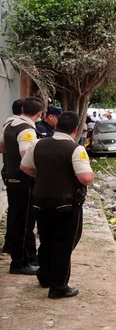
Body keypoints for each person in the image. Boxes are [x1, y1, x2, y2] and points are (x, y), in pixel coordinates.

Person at [21, 111, 95, 299]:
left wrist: (44, 177)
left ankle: (44, 277)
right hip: (66, 204)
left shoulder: (37, 144)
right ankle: (59, 287)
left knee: (46, 240)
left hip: (40, 201)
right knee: (63, 244)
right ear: (76, 129)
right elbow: (85, 178)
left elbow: (25, 167)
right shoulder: (75, 149)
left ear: (55, 125)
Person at [1, 96, 44, 275]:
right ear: (40, 113)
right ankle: (20, 262)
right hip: (23, 179)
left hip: (10, 175)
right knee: (25, 221)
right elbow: (26, 156)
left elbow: (1, 147)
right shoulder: (27, 130)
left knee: (18, 218)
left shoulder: (9, 124)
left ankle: (24, 258)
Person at [1, 99, 24, 256]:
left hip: (8, 169)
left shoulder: (7, 126)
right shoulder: (22, 128)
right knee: (21, 212)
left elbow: (1, 147)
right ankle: (16, 248)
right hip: (18, 172)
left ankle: (9, 244)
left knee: (14, 209)